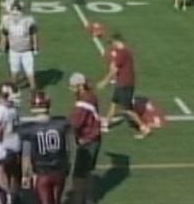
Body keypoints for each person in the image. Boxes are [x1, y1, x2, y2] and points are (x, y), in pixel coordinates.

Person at [19, 91, 70, 204]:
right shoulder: (61, 123)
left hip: (42, 173)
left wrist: (25, 175)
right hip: (59, 171)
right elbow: (67, 148)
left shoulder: (28, 128)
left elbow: (26, 155)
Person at [97, 34, 151, 138]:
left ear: (117, 41)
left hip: (124, 84)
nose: (112, 46)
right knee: (113, 103)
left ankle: (144, 127)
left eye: (112, 43)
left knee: (127, 110)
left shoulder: (122, 53)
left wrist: (104, 82)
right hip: (122, 83)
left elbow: (114, 70)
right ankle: (106, 123)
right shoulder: (125, 52)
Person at [68, 73, 101, 204]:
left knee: (79, 174)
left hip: (87, 139)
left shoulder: (84, 101)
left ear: (80, 85)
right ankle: (88, 199)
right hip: (92, 137)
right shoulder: (89, 96)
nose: (72, 89)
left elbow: (75, 122)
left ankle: (80, 200)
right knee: (86, 172)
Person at [0, 2, 38, 90]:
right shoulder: (7, 21)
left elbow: (33, 33)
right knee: (14, 72)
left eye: (17, 10)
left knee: (30, 72)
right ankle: (13, 89)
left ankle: (33, 90)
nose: (15, 13)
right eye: (13, 10)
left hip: (26, 50)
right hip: (14, 51)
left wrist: (35, 47)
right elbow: (4, 34)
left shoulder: (28, 21)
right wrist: (2, 47)